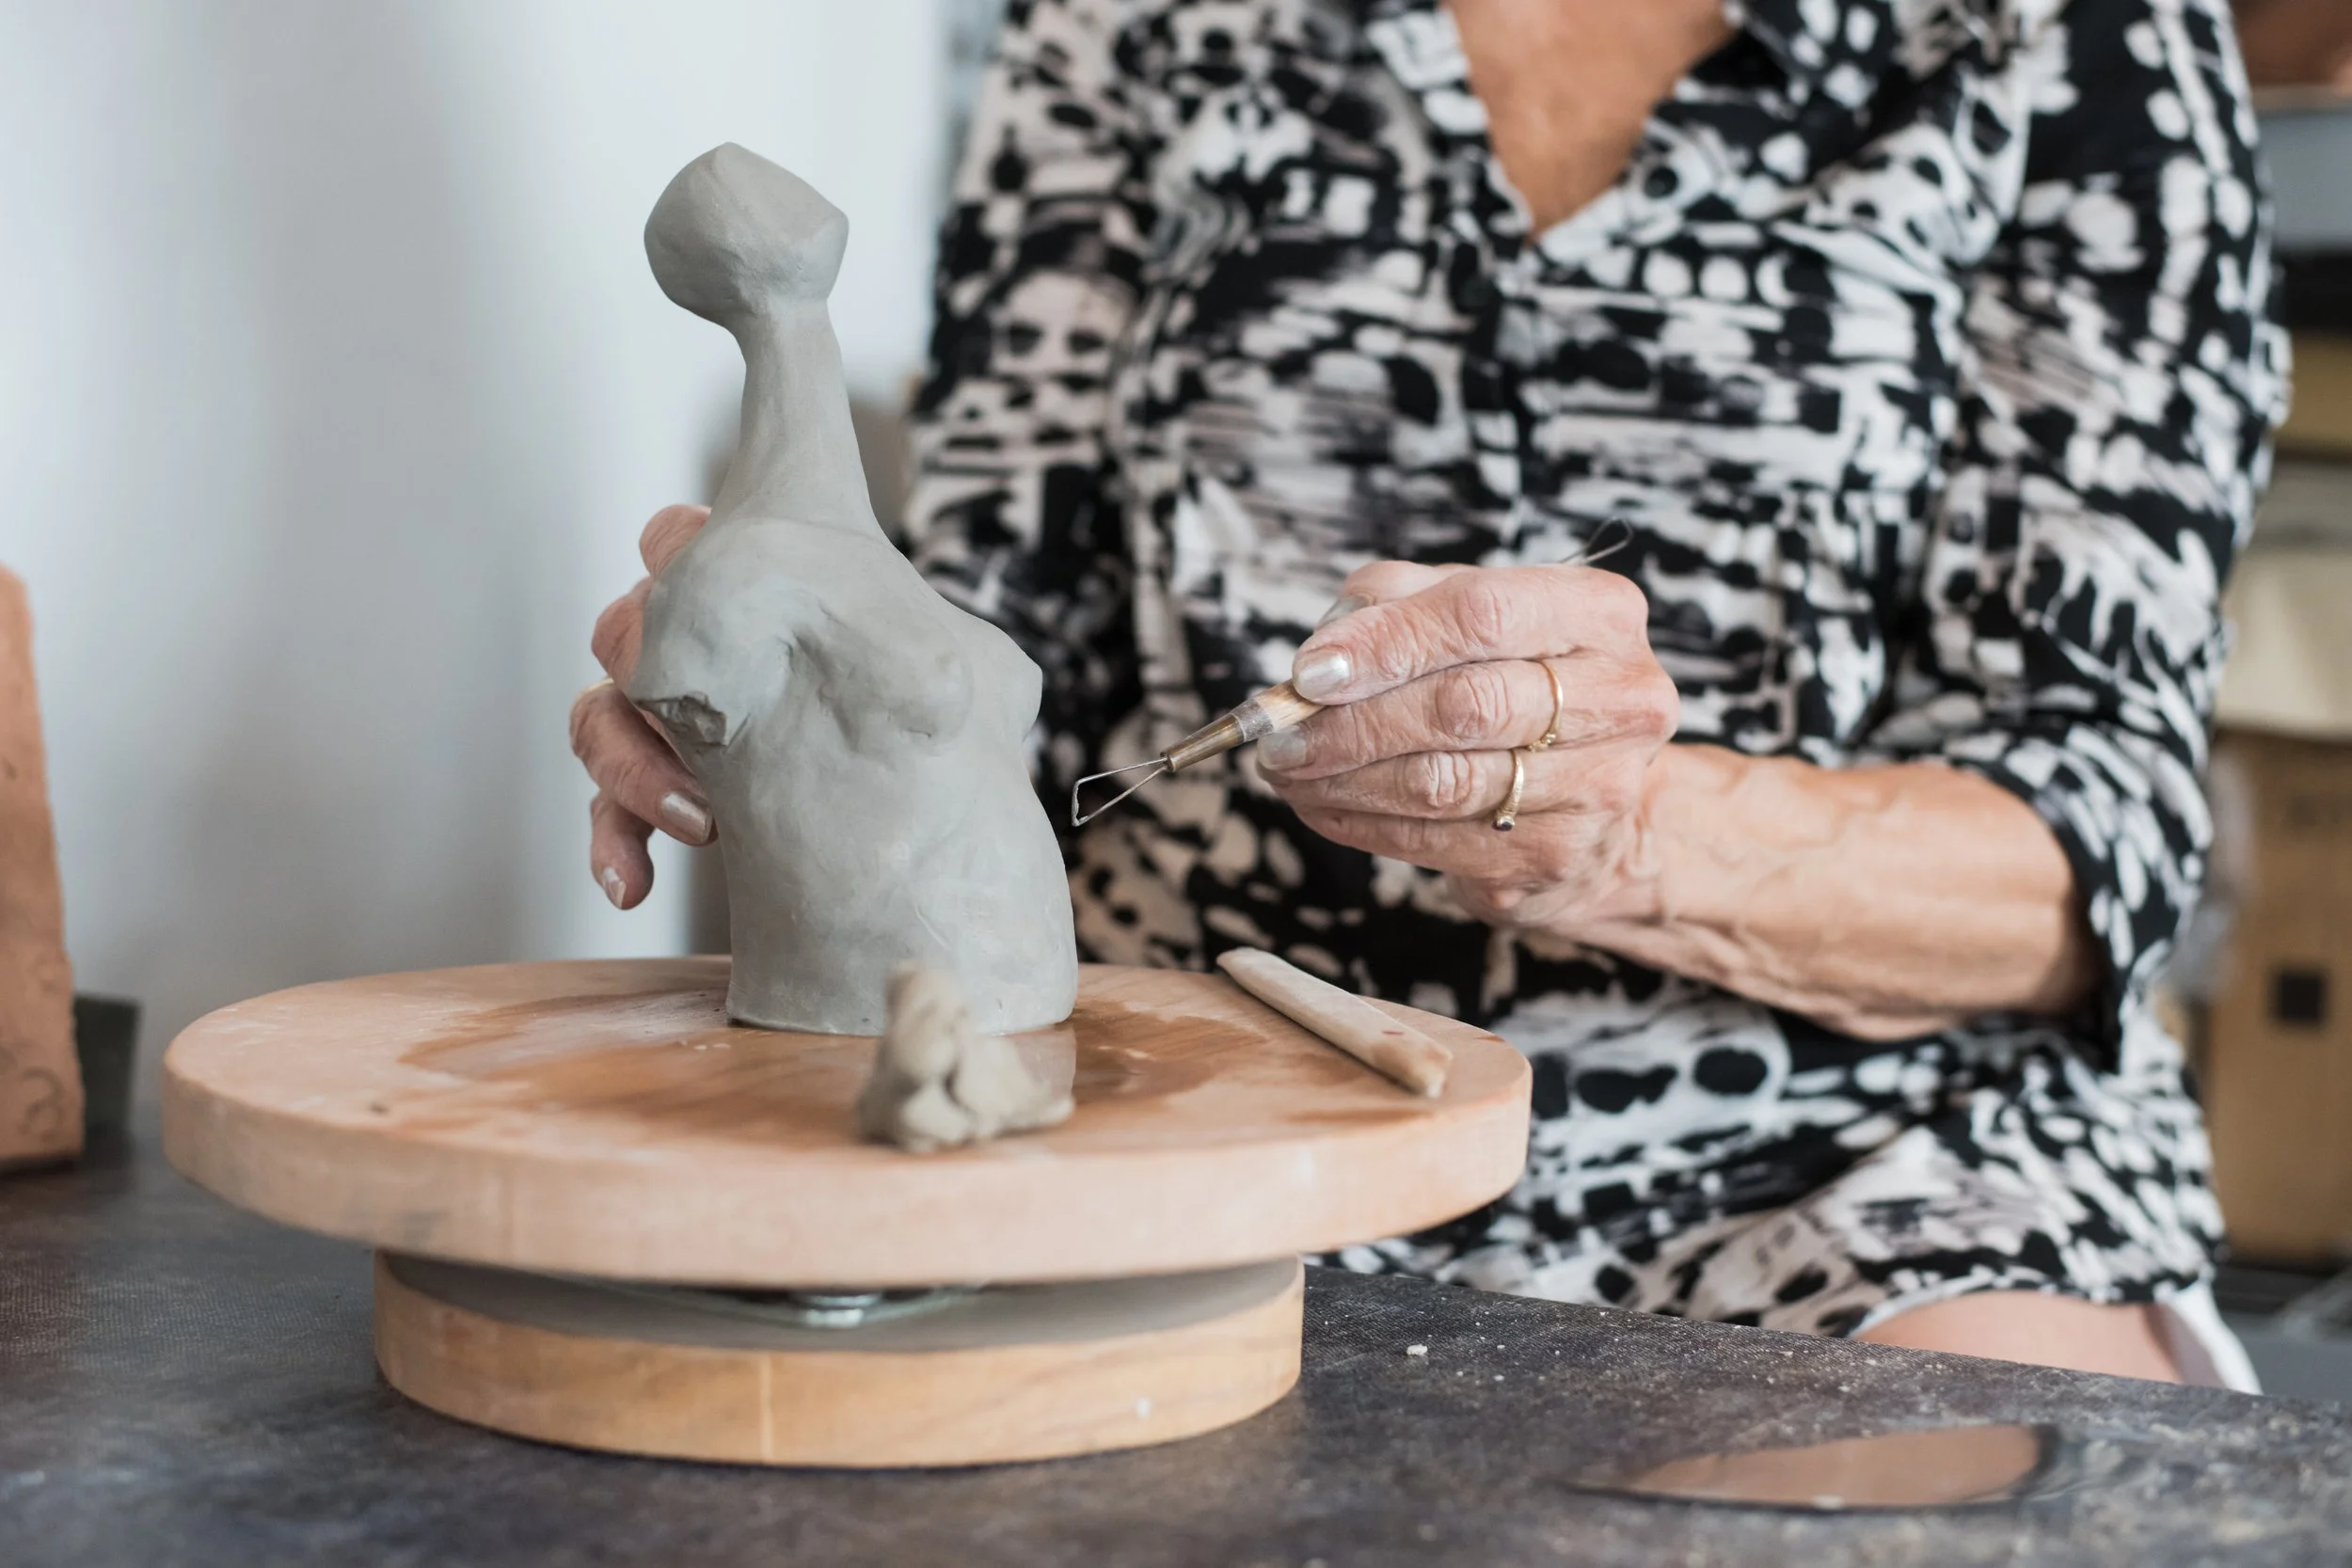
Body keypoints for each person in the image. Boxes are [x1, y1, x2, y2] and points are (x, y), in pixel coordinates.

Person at [573, 0, 2285, 1385]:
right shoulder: (1137, 26)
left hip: (1868, 1160)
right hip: (1213, 1105)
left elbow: (2094, 846)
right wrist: (794, 706)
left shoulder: (2060, 39)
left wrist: (1635, 832)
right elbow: (999, 648)